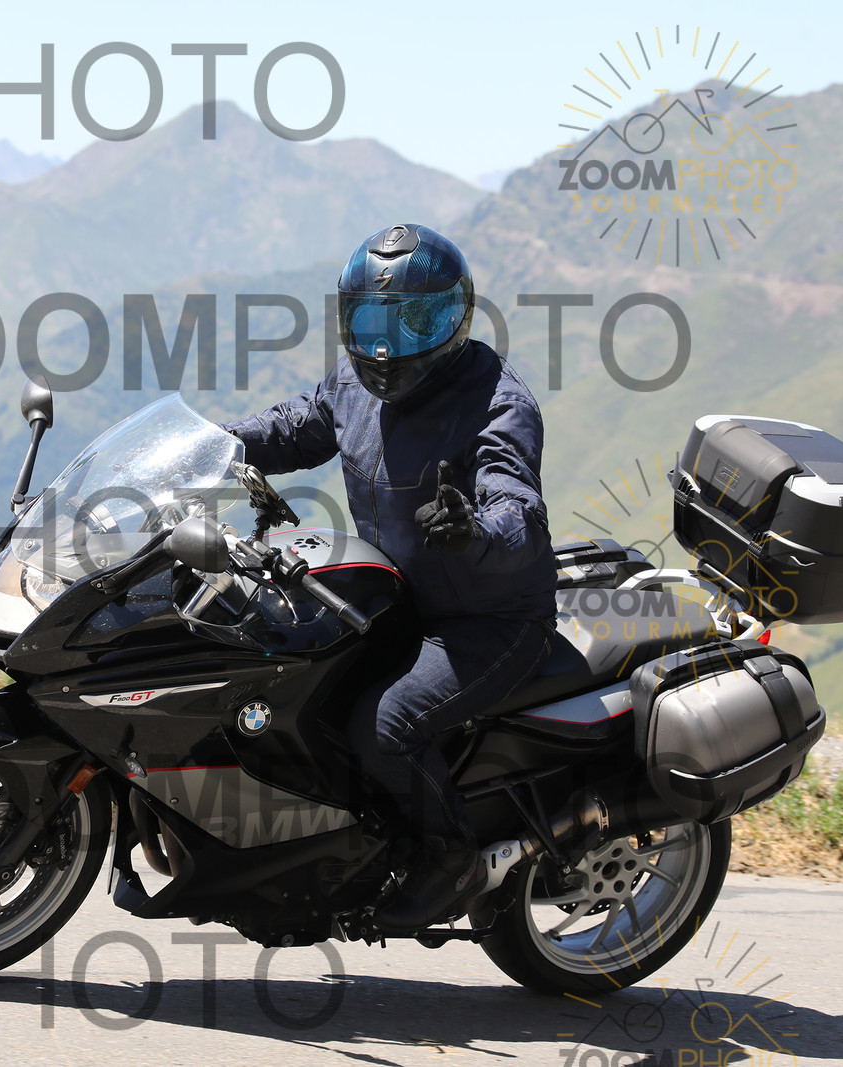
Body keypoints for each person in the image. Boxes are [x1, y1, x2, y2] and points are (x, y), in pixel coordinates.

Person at [223, 223, 558, 931]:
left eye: (415, 322)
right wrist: (215, 445)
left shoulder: (498, 402)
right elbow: (299, 425)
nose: (388, 347)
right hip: (392, 602)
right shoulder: (352, 383)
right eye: (373, 322)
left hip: (486, 621)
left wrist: (474, 530)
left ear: (457, 317)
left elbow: (520, 513)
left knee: (384, 725)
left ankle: (448, 857)